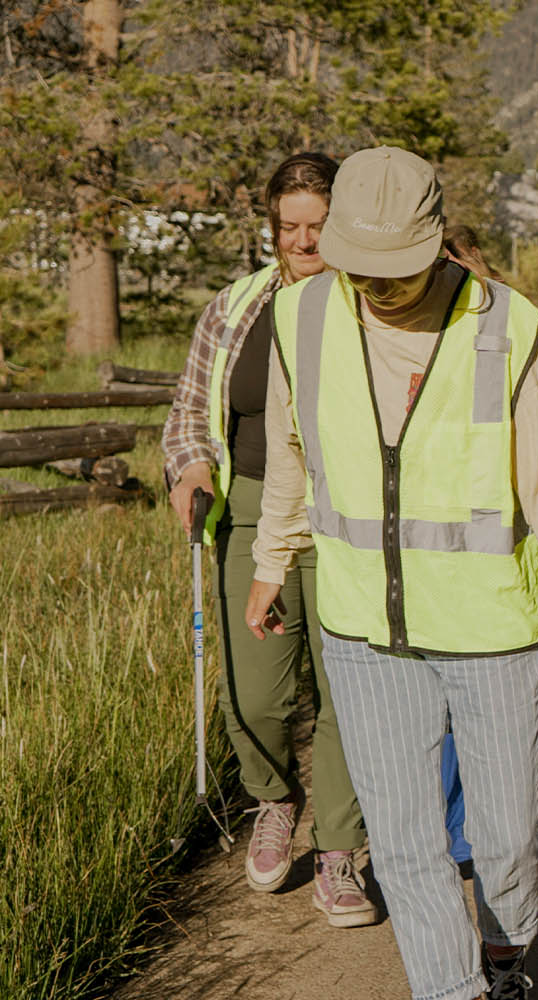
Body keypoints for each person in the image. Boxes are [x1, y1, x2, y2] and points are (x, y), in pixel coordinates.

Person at [244, 146, 538, 1000]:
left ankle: (505, 963)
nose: (379, 288)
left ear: (436, 243)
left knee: (509, 834)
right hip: (362, 626)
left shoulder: (504, 325)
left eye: (397, 267)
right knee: (409, 839)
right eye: (360, 265)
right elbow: (290, 458)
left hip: (488, 627)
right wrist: (270, 562)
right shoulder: (299, 316)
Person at [162, 151, 378, 928]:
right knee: (256, 688)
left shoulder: (370, 302)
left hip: (348, 513)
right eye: (289, 227)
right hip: (251, 507)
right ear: (271, 228)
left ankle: (339, 849)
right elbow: (190, 408)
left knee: (349, 687)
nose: (303, 240)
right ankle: (274, 799)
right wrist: (191, 470)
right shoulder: (236, 306)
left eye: (318, 226)